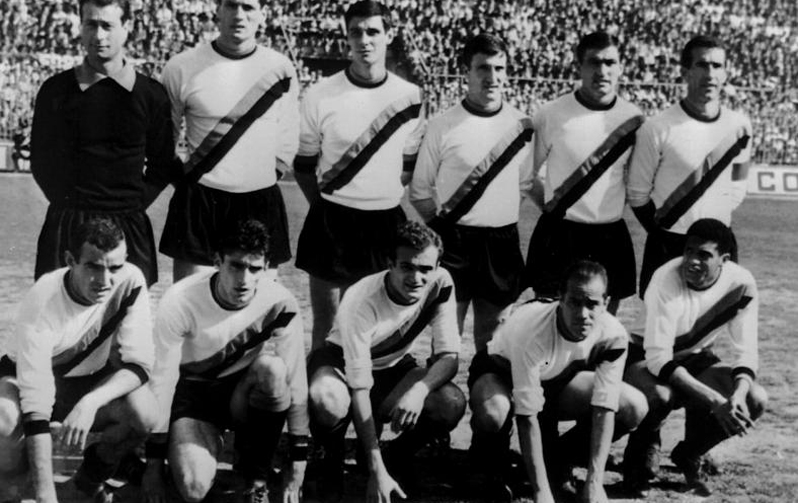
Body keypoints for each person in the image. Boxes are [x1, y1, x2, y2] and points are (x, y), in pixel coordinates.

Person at [143, 219, 309, 503]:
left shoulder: (280, 301)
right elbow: (163, 380)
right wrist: (153, 466)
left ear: (266, 267)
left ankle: (256, 476)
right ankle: (189, 451)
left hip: (240, 394)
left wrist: (298, 462)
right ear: (217, 261)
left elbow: (296, 379)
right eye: (235, 265)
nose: (244, 279)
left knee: (273, 369)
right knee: (193, 488)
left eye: (254, 268)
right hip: (194, 397)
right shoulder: (181, 299)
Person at [293, 0, 426, 350]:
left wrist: (376, 193)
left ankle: (368, 384)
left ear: (389, 35)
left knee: (376, 326)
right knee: (327, 324)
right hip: (332, 220)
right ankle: (321, 385)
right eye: (356, 32)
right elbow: (303, 166)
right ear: (347, 37)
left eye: (373, 31)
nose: (364, 40)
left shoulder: (410, 97)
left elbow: (407, 168)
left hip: (384, 223)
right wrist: (326, 203)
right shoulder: (320, 94)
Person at [0, 217, 157, 502]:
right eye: (93, 267)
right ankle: (15, 482)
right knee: (3, 418)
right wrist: (46, 496)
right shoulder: (43, 298)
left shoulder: (131, 280)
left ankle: (88, 480)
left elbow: (139, 364)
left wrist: (91, 402)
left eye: (115, 267)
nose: (105, 281)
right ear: (70, 260)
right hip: (26, 380)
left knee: (144, 413)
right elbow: (36, 405)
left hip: (88, 381)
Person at [307, 221, 465, 503]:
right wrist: (375, 470)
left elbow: (449, 357)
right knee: (327, 398)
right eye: (406, 267)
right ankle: (328, 461)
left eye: (425, 268)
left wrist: (419, 391)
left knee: (449, 402)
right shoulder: (362, 299)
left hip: (392, 364)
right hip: (340, 363)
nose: (416, 278)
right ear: (390, 263)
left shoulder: (442, 282)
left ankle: (396, 457)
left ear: (437, 266)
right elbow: (360, 388)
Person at [30, 0, 176, 286]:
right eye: (91, 24)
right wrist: (69, 203)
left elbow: (162, 165)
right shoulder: (56, 90)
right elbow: (41, 161)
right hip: (69, 221)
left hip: (128, 222)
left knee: (126, 309)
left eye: (107, 25)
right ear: (80, 27)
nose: (98, 35)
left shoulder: (151, 94)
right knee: (62, 308)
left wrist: (131, 204)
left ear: (126, 28)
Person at [468, 260, 648, 503]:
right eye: (574, 302)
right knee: (494, 412)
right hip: (501, 373)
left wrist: (595, 483)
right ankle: (487, 457)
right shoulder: (533, 329)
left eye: (592, 304)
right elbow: (527, 417)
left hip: (555, 378)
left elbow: (605, 408)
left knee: (633, 406)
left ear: (606, 303)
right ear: (560, 298)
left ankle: (557, 459)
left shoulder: (613, 334)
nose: (583, 314)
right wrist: (541, 493)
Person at [159, 0, 299, 281]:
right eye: (231, 5)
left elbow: (288, 137)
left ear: (262, 14)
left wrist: (261, 177)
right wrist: (190, 182)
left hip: (259, 199)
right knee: (191, 299)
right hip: (201, 201)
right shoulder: (181, 67)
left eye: (248, 7)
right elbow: (164, 139)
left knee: (259, 301)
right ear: (217, 9)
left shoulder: (281, 68)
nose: (239, 14)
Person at [622, 219, 767, 497]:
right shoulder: (666, 277)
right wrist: (715, 400)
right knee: (660, 396)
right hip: (644, 355)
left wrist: (737, 395)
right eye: (689, 251)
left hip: (695, 356)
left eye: (704, 255)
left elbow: (746, 350)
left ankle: (690, 453)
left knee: (755, 399)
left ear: (724, 260)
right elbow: (658, 358)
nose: (692, 261)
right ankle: (639, 461)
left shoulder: (742, 283)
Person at [409, 33, 534, 351]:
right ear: (466, 71)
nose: (492, 77)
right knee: (446, 341)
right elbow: (420, 191)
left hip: (501, 244)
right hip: (454, 242)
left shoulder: (522, 126)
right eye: (483, 68)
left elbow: (524, 185)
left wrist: (493, 215)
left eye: (499, 68)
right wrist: (445, 230)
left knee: (492, 345)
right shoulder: (442, 125)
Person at [524, 32, 644, 314]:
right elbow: (526, 175)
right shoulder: (551, 113)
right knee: (549, 321)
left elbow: (638, 183)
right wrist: (555, 208)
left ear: (620, 67)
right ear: (579, 66)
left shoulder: (634, 120)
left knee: (602, 326)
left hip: (609, 237)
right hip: (559, 235)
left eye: (610, 62)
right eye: (594, 62)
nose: (602, 71)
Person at [627, 35, 752, 296]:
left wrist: (710, 226)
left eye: (717, 66)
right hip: (669, 243)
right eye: (702, 65)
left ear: (725, 73)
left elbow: (738, 186)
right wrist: (666, 231)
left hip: (718, 243)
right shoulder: (657, 128)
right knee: (660, 320)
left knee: (714, 319)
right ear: (685, 72)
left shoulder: (740, 127)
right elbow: (637, 194)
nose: (710, 74)